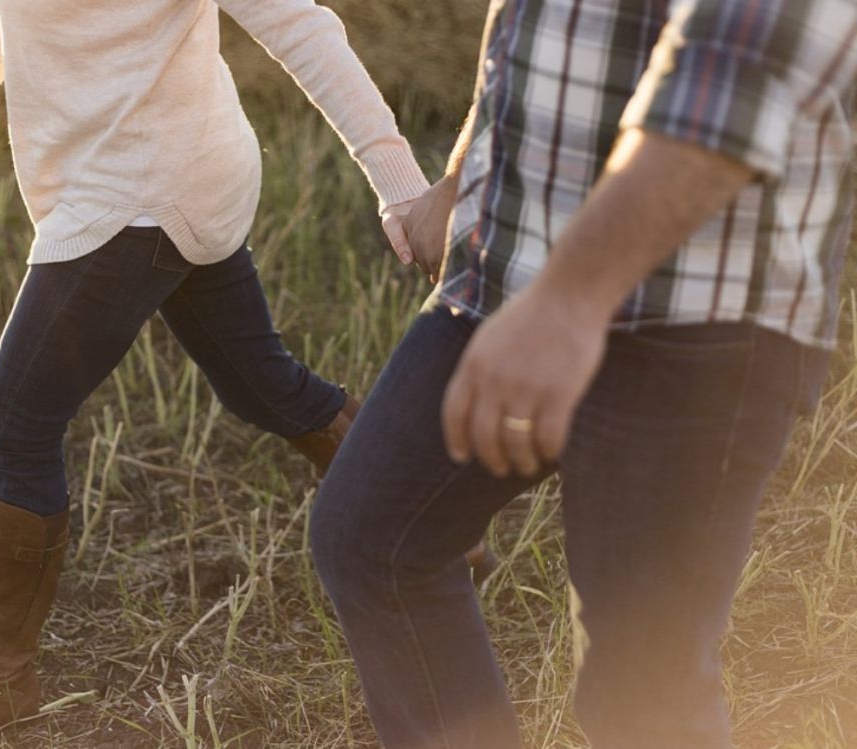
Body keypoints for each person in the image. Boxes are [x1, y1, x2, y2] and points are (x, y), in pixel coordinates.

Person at [0, 0, 443, 741]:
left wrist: (403, 189)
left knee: (12, 420)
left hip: (138, 190)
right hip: (173, 170)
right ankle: (423, 515)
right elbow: (26, 21)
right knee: (260, 384)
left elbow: (299, 24)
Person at [310, 1, 857, 747]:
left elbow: (734, 82)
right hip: (511, 272)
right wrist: (463, 168)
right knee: (374, 536)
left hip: (696, 309)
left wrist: (569, 301)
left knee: (640, 689)